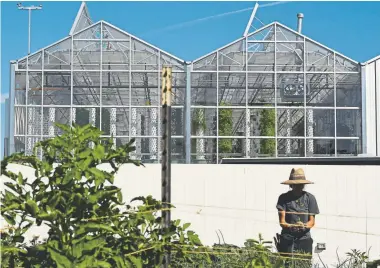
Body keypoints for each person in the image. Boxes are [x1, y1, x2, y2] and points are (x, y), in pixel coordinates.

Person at [276, 168, 319, 264]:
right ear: (291, 185)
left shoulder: (310, 198)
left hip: (304, 239)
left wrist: (303, 226)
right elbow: (282, 222)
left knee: (304, 264)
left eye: (300, 184)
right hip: (287, 239)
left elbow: (312, 222)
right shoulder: (283, 198)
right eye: (296, 185)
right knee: (287, 264)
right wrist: (292, 226)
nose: (299, 187)